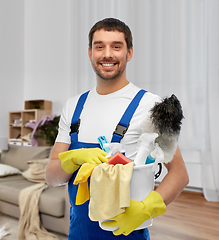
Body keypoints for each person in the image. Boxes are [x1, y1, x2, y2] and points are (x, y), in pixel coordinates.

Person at [45, 18, 189, 240]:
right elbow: (52, 177)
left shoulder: (150, 105)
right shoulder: (73, 106)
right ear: (90, 53)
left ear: (129, 53)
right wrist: (73, 158)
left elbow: (179, 174)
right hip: (79, 231)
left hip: (129, 231)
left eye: (116, 46)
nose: (107, 54)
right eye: (99, 46)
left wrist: (147, 207)